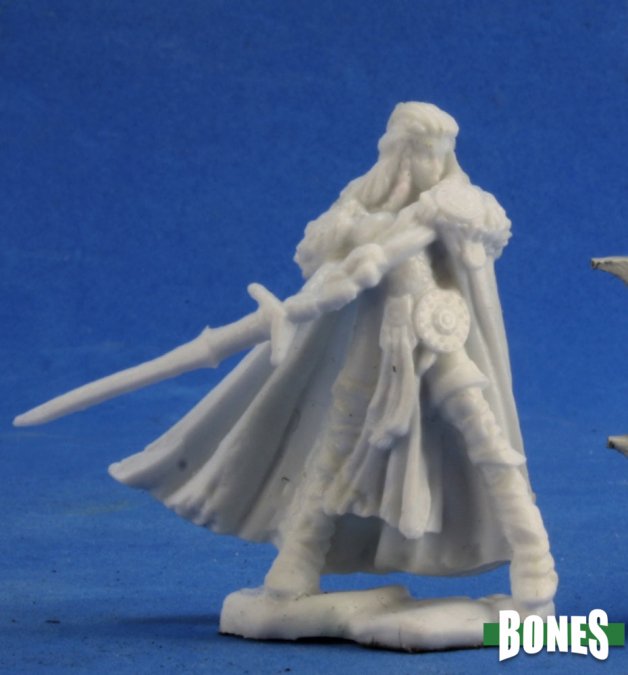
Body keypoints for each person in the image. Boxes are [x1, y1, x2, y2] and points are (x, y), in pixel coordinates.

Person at [20, 102, 558, 617]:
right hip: (375, 341)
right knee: (336, 443)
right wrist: (342, 259)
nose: (430, 163)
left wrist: (392, 239)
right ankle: (295, 566)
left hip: (437, 332)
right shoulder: (357, 201)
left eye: (439, 151)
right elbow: (323, 257)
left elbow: (465, 236)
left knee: (484, 436)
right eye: (420, 151)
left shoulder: (455, 202)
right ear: (398, 151)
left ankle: (534, 561)